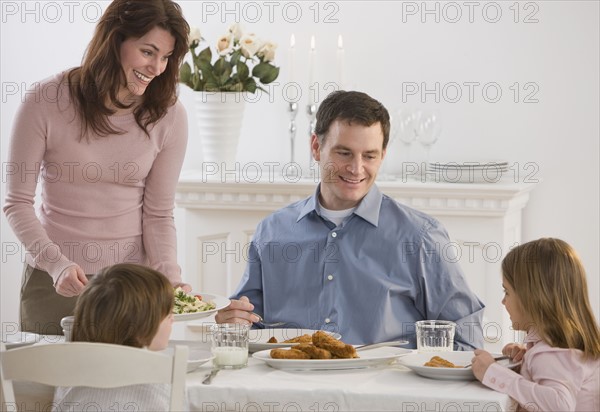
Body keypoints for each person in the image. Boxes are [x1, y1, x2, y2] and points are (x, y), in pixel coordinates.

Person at [216, 90, 485, 349]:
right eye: (343, 153)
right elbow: (246, 327)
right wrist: (231, 324)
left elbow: (466, 338)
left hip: (384, 391)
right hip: (291, 385)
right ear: (315, 147)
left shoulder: (421, 236)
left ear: (383, 155)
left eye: (369, 156)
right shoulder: (272, 232)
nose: (356, 169)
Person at [3, 0, 191, 335]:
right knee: (45, 386)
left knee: (126, 385)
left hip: (131, 288)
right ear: (115, 40)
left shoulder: (169, 115)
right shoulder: (45, 100)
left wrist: (170, 281)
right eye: (148, 52)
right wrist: (56, 264)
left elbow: (159, 213)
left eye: (166, 58)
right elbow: (16, 202)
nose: (157, 68)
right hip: (53, 281)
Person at [471, 238, 600, 411]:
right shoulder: (560, 347)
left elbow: (559, 405)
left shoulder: (549, 353)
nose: (503, 301)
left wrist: (494, 373)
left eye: (507, 292)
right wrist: (526, 364)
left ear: (531, 298)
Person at [53, 263, 179, 411]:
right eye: (168, 315)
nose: (173, 319)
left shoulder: (67, 377)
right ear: (140, 329)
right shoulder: (160, 384)